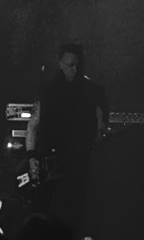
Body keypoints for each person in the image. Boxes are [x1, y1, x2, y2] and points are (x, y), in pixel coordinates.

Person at [24, 42, 107, 237]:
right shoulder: (47, 90)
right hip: (49, 161)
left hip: (76, 162)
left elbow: (100, 126)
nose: (74, 69)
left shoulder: (93, 91)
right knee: (42, 211)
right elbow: (33, 124)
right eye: (70, 65)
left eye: (77, 65)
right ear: (60, 63)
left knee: (73, 212)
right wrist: (31, 155)